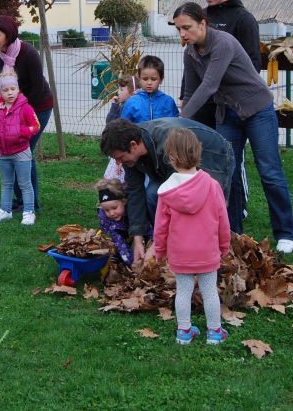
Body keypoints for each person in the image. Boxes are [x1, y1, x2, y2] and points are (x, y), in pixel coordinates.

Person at [174, 1, 293, 253]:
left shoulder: (223, 43)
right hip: (227, 113)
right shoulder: (190, 53)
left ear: (203, 24)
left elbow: (209, 86)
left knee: (269, 171)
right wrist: (184, 122)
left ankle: (285, 233)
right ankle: (233, 231)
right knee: (227, 172)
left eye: (186, 28)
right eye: (178, 30)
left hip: (257, 110)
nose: (182, 34)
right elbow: (191, 90)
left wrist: (179, 121)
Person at [99, 117, 234, 267]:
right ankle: (169, 247)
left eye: (120, 158)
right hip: (172, 169)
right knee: (153, 194)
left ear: (133, 145)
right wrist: (138, 239)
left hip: (213, 154)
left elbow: (179, 196)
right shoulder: (131, 149)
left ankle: (211, 253)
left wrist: (157, 245)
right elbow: (135, 191)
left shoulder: (169, 146)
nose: (118, 163)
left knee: (208, 206)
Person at [154, 128, 230, 345]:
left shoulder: (167, 192)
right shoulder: (212, 186)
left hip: (180, 252)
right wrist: (224, 245)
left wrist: (160, 250)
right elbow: (223, 220)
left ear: (171, 158)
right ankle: (215, 332)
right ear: (198, 152)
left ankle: (184, 332)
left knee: (183, 292)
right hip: (207, 250)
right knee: (209, 292)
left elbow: (161, 226)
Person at [0, 15, 53, 210]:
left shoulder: (29, 53)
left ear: (8, 35)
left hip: (37, 106)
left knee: (23, 151)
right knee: (12, 150)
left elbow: (37, 87)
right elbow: (4, 81)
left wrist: (18, 110)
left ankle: (32, 204)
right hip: (12, 105)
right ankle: (20, 200)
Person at [193, 0, 262, 128]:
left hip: (230, 103)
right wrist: (185, 94)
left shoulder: (244, 19)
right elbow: (193, 57)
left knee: (229, 151)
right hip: (203, 101)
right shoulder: (201, 17)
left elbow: (253, 64)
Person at [0, 72, 41, 226]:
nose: (10, 92)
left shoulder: (26, 108)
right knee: (6, 183)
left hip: (21, 152)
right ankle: (5, 210)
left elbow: (36, 126)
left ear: (18, 89)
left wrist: (22, 132)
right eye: (5, 90)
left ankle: (29, 212)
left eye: (13, 88)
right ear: (0, 92)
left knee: (25, 183)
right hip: (3, 153)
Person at [118, 56, 178, 124]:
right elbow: (124, 127)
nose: (149, 83)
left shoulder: (168, 102)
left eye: (153, 79)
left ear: (161, 79)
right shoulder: (131, 103)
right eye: (145, 79)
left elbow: (174, 126)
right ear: (139, 78)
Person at [103, 76, 138, 181]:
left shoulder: (131, 109)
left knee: (118, 180)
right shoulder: (120, 106)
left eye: (122, 89)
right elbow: (110, 124)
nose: (119, 92)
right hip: (117, 150)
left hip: (123, 151)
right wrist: (114, 107)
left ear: (132, 93)